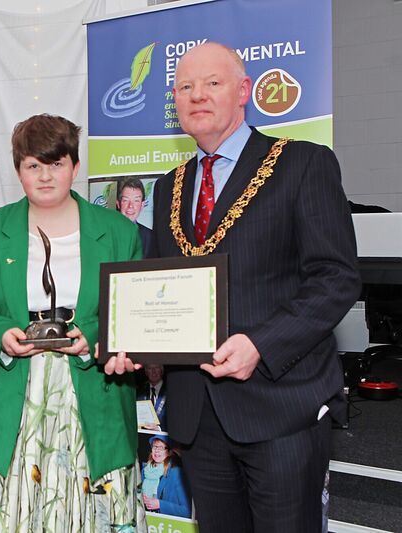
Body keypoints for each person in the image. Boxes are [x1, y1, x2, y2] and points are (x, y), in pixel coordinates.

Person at [106, 43, 361, 532]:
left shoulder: (302, 163)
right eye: (184, 87)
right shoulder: (170, 185)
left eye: (212, 83)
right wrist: (133, 345)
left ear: (244, 91)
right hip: (197, 416)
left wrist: (261, 345)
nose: (196, 95)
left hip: (280, 406)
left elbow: (336, 278)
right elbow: (161, 289)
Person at [0, 114, 145, 532]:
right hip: (15, 393)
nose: (45, 177)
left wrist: (95, 334)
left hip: (92, 389)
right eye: (33, 166)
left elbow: (132, 305)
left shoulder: (118, 231)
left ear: (75, 167)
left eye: (56, 164)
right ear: (18, 171)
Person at [140, 435, 191, 518]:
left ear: (169, 452)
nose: (157, 451)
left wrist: (160, 505)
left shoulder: (176, 473)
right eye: (155, 447)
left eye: (161, 448)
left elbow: (187, 511)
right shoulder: (145, 471)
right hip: (147, 520)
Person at [116, 177, 153, 254]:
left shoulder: (150, 237)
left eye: (136, 201)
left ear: (142, 205)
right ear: (118, 204)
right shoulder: (106, 234)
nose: (130, 206)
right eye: (126, 200)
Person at [136, 364, 166, 429]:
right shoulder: (139, 392)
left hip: (164, 437)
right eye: (150, 368)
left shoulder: (171, 390)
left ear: (161, 370)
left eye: (157, 368)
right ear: (146, 372)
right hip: (142, 435)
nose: (153, 371)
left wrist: (159, 429)